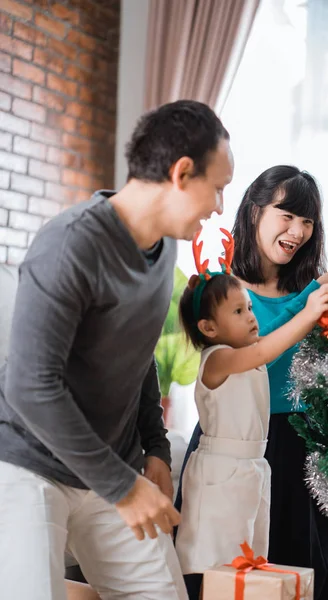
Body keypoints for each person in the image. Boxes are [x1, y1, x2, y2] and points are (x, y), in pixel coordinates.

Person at [0, 100, 234, 600]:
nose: (219, 205)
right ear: (181, 172)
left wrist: (154, 447)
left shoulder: (162, 246)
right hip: (29, 465)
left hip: (113, 465)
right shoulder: (70, 244)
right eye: (217, 188)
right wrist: (123, 487)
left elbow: (139, 354)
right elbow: (29, 385)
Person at [175, 165, 328, 600]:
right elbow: (256, 358)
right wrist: (306, 307)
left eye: (307, 221)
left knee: (296, 574)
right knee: (216, 574)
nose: (298, 230)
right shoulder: (223, 289)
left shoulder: (315, 290)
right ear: (254, 212)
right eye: (286, 215)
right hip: (233, 444)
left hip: (299, 445)